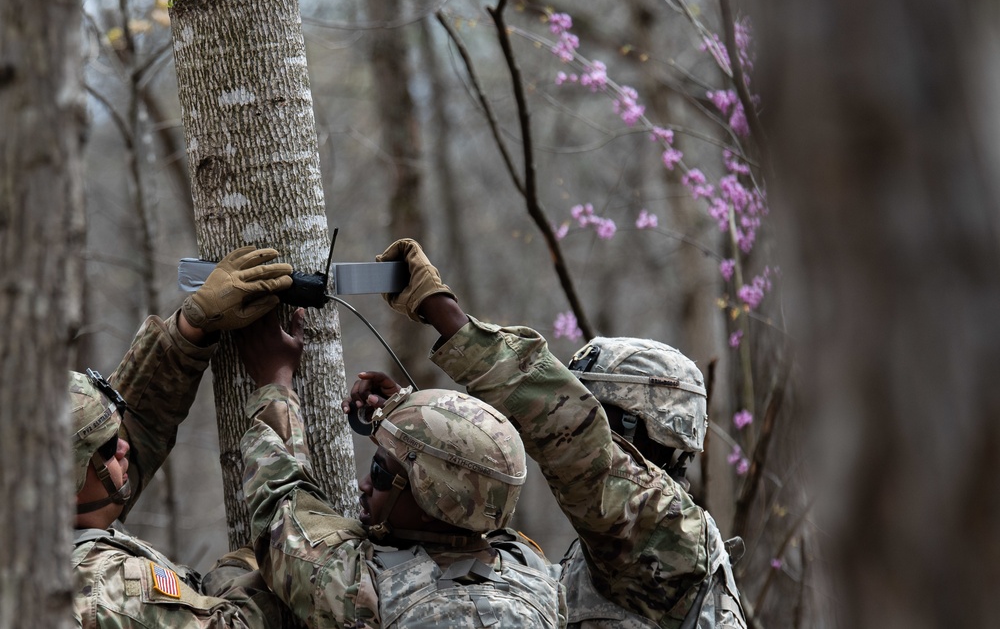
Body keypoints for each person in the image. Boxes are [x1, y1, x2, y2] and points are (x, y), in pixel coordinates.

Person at [366, 238, 748, 629]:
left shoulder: (668, 534)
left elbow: (569, 433)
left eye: (597, 414)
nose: (584, 425)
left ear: (642, 427)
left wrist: (443, 311)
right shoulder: (617, 547)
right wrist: (411, 426)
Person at [235, 307, 567, 628]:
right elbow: (473, 477)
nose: (365, 484)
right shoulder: (536, 575)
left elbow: (281, 508)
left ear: (431, 502)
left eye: (380, 474)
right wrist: (411, 417)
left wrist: (274, 381)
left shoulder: (364, 589)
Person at [72, 245, 296, 628]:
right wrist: (244, 572)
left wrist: (191, 327)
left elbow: (135, 424)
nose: (124, 446)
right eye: (109, 449)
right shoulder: (105, 592)